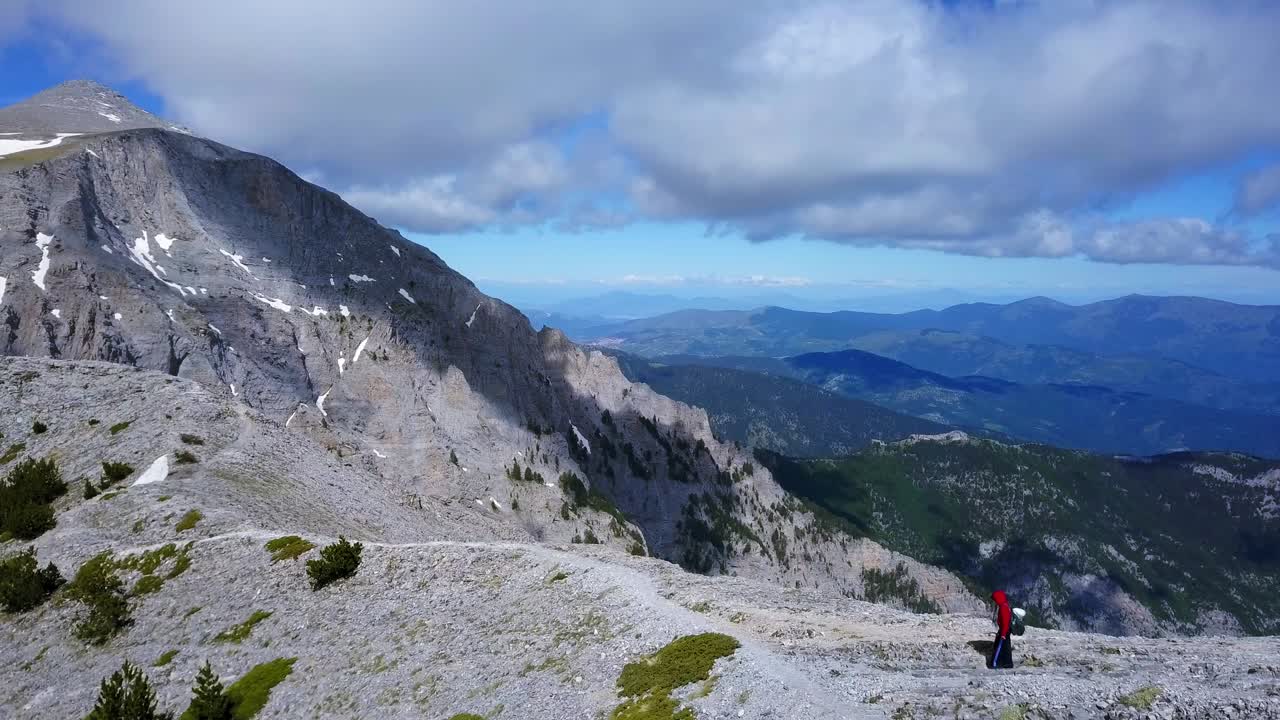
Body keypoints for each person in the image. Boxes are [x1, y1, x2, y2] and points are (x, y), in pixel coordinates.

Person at [989, 589, 1014, 669]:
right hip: (1005, 631)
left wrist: (1003, 634)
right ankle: (1006, 664)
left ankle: (999, 664)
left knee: (1002, 648)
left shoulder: (1003, 608)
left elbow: (1005, 622)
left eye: (995, 600)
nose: (995, 602)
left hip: (1004, 631)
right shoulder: (1005, 605)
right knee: (1005, 648)